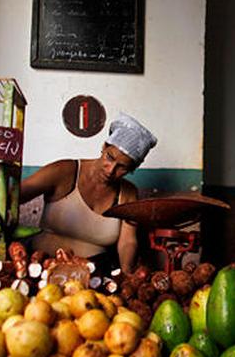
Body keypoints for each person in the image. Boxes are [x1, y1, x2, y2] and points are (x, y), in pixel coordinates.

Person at [20, 113, 157, 274]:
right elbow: (18, 194)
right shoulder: (65, 171)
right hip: (40, 267)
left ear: (132, 169)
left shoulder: (128, 193)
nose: (111, 169)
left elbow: (127, 241)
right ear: (104, 146)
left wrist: (127, 274)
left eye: (122, 167)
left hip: (94, 274)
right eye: (110, 157)